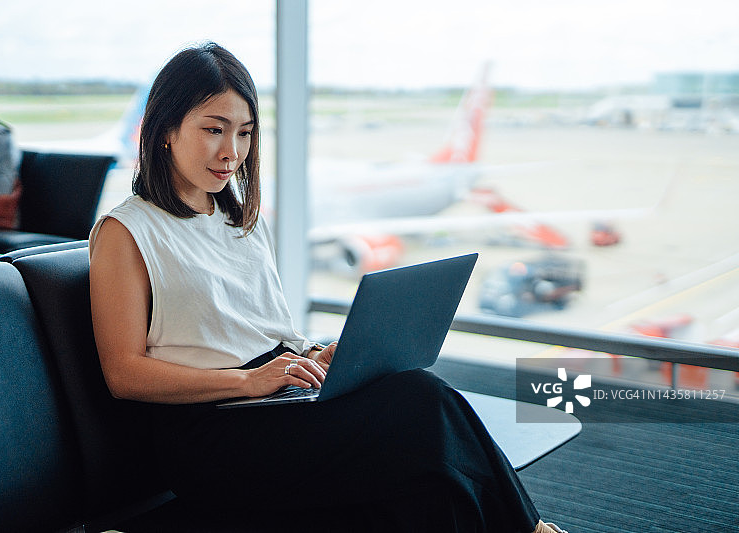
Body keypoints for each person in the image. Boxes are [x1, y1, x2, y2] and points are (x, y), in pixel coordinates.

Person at [88, 42, 568, 533]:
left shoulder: (241, 221)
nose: (232, 152)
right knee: (419, 400)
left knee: (422, 474)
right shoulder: (126, 232)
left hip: (271, 406)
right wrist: (250, 381)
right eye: (214, 130)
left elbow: (256, 330)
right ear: (166, 130)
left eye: (245, 134)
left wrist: (311, 356)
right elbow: (123, 374)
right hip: (211, 434)